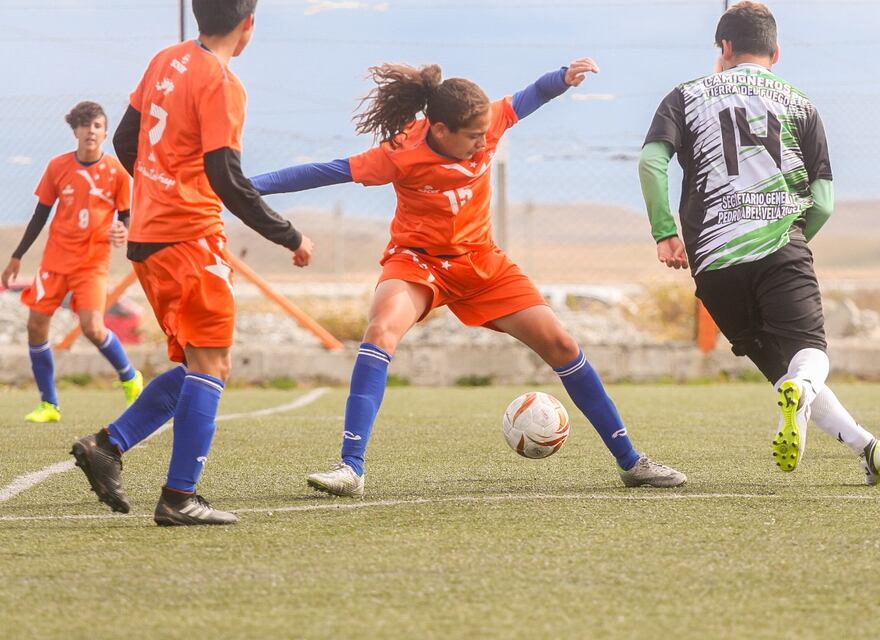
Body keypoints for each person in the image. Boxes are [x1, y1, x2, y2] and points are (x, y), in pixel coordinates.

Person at [251, 59, 686, 497]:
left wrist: (562, 78)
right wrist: (242, 186)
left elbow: (530, 96)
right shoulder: (401, 152)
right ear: (440, 130)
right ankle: (351, 468)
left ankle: (631, 462)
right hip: (418, 263)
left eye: (485, 134)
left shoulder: (487, 121)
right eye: (473, 136)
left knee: (562, 344)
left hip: (481, 263)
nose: (483, 143)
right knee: (380, 331)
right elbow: (322, 172)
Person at [69, 0, 314, 526]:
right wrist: (288, 235)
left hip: (148, 238)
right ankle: (179, 498)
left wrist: (157, 188)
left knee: (195, 363)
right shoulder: (223, 83)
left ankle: (108, 445)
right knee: (212, 366)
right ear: (248, 26)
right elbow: (227, 177)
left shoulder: (166, 59)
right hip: (189, 238)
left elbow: (125, 140)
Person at [638, 1, 880, 485]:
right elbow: (824, 202)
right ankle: (808, 397)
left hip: (715, 262)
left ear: (725, 47)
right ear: (776, 53)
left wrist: (665, 231)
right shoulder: (801, 104)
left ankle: (867, 447)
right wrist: (792, 241)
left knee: (785, 373)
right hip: (780, 250)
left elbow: (652, 162)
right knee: (809, 355)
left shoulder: (685, 95)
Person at [2, 101, 143, 423]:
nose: (90, 131)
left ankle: (129, 375)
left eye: (97, 126)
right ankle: (49, 404)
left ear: (105, 133)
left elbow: (125, 216)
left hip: (92, 263)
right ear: (75, 131)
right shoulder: (58, 167)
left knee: (93, 328)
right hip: (55, 261)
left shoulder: (117, 173)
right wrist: (17, 256)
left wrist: (123, 230)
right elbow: (40, 215)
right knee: (36, 324)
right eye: (85, 125)